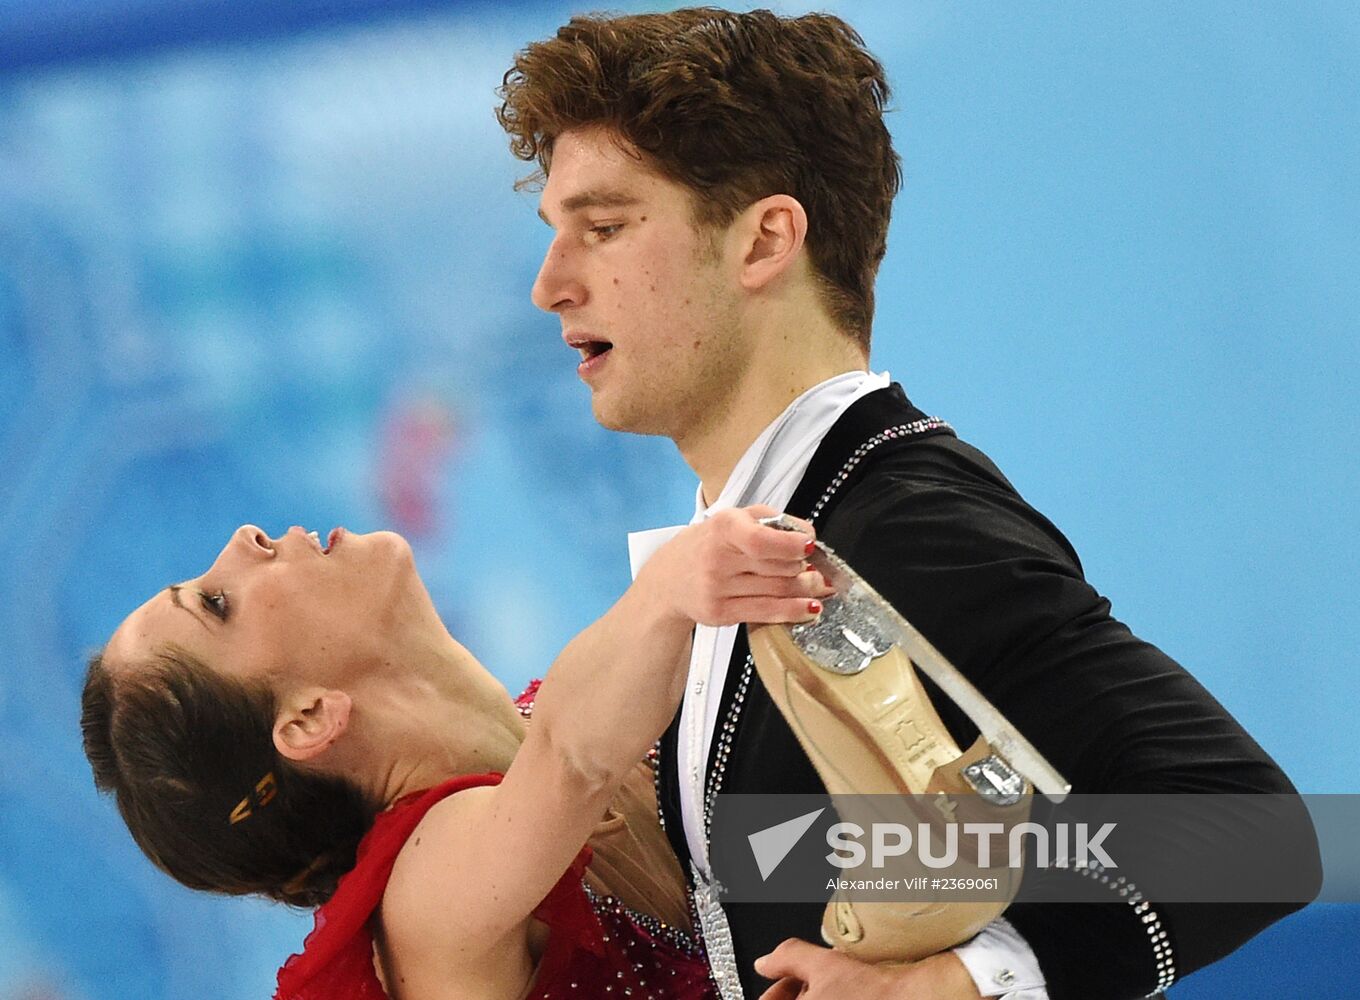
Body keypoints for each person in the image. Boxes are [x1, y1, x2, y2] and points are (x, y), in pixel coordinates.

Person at [497, 8, 1320, 999]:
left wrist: (953, 983)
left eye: (605, 227)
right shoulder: (785, 529)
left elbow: (1251, 834)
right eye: (555, 235)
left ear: (764, 241)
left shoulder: (896, 521)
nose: (550, 286)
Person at [80, 515, 833, 1000]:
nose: (242, 538)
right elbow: (571, 763)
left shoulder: (629, 730)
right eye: (218, 604)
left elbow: (924, 861)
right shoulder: (427, 906)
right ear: (308, 718)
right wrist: (671, 586)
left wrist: (929, 969)